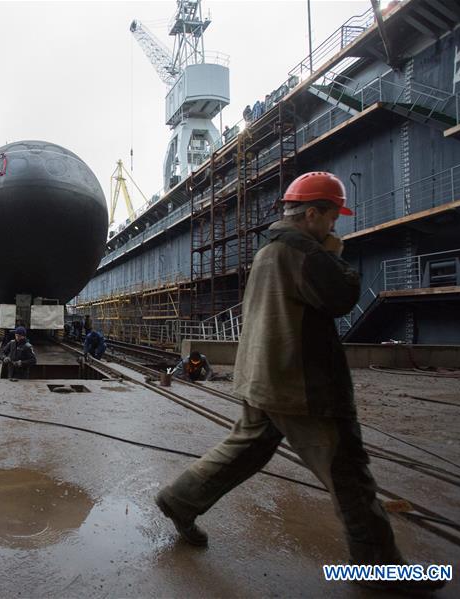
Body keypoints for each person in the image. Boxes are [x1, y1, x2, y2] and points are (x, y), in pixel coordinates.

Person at [154, 172, 443, 592]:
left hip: (262, 375)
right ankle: (378, 567)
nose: (334, 226)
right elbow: (342, 295)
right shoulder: (303, 249)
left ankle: (179, 499)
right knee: (349, 473)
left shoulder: (270, 249)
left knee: (245, 450)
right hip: (301, 383)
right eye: (331, 218)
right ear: (312, 214)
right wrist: (333, 252)